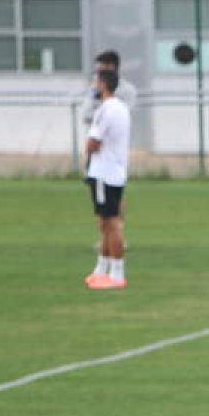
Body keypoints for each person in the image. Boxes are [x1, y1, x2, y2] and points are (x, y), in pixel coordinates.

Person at [83, 51, 137, 252]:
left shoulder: (119, 100)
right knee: (104, 208)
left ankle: (114, 252)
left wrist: (91, 144)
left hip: (109, 160)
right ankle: (109, 242)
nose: (96, 76)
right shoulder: (95, 95)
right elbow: (85, 114)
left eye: (100, 70)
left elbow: (96, 137)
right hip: (105, 161)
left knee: (111, 210)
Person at [83, 69, 132, 290]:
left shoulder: (105, 110)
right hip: (115, 171)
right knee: (104, 223)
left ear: (103, 84)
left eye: (95, 81)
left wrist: (89, 149)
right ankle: (101, 269)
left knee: (111, 223)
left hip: (104, 172)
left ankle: (117, 273)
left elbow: (93, 141)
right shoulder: (121, 108)